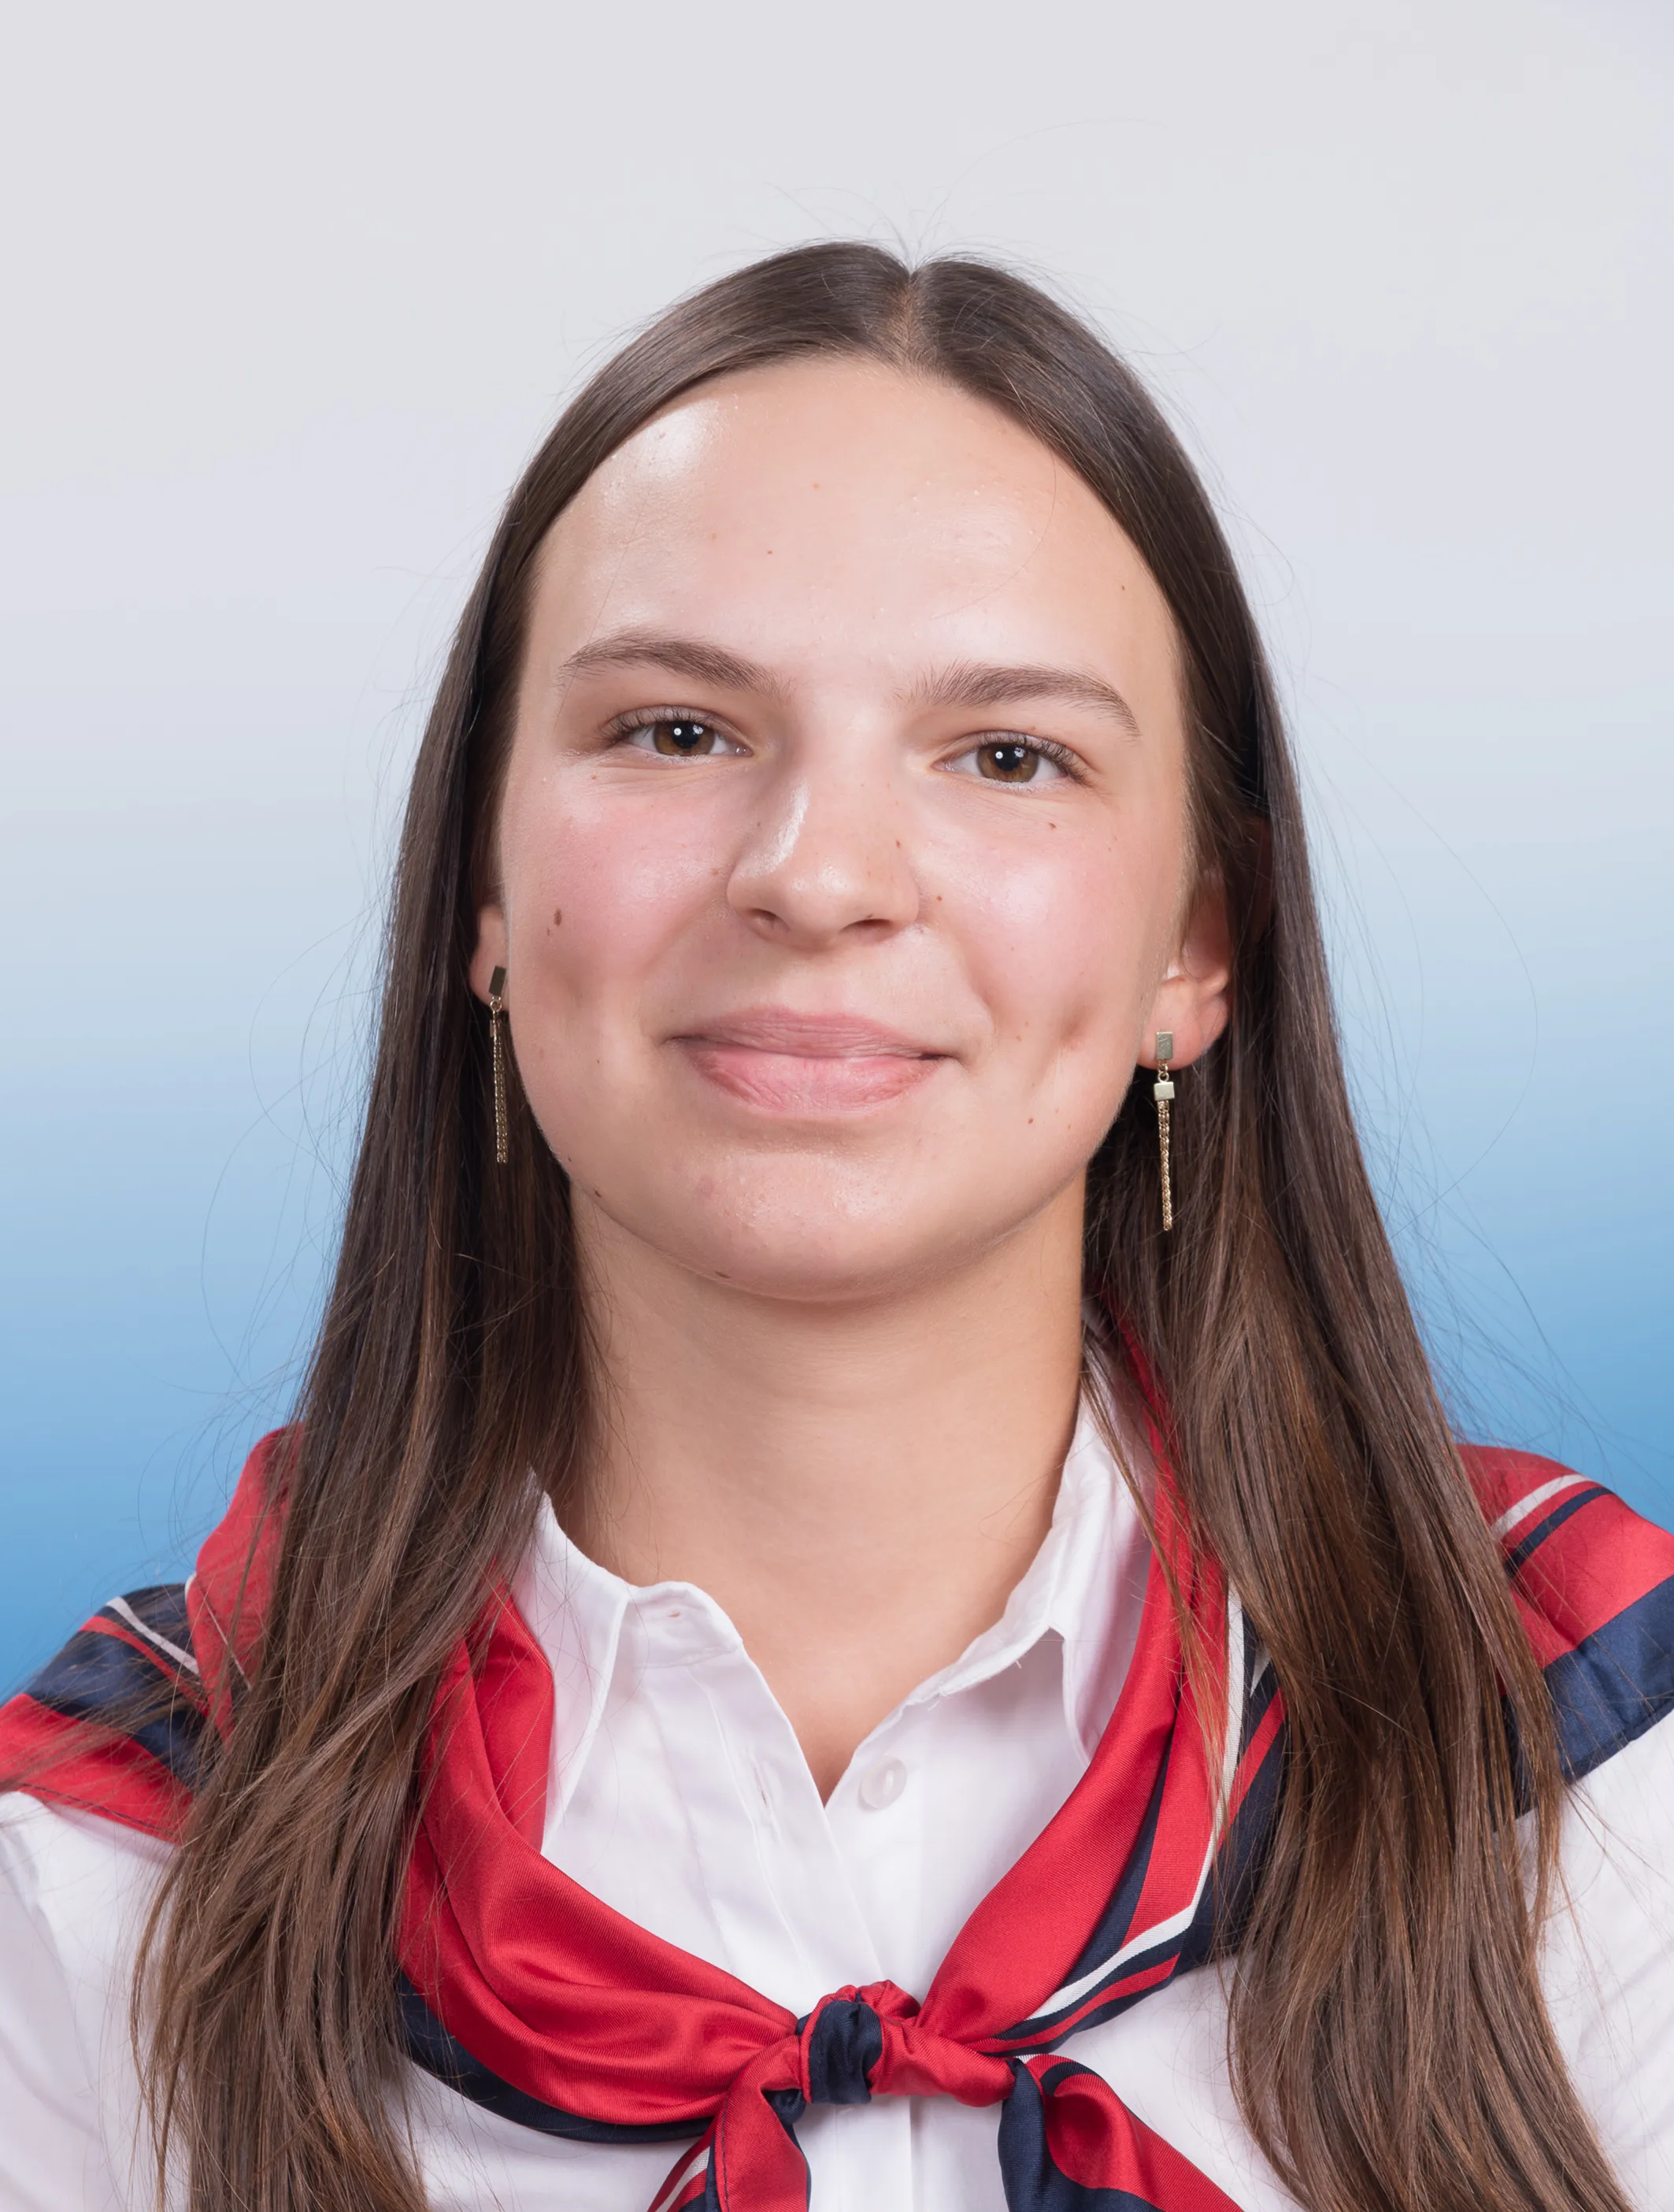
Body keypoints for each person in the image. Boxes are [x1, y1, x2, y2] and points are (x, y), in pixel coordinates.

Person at [1, 243, 1669, 2212]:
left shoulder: (1581, 1760)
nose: (819, 875)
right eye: (676, 731)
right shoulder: (108, 1883)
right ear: (481, 886)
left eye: (1007, 755)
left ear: (1197, 945)